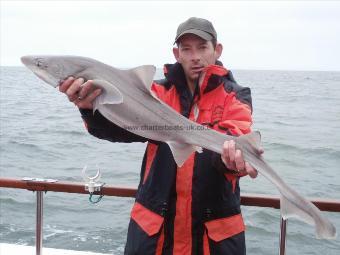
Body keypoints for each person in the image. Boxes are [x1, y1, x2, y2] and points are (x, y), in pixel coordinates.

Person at [59, 17, 261, 255]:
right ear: (177, 54)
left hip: (212, 240)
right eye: (187, 49)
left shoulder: (234, 96)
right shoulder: (156, 94)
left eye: (202, 47)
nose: (195, 56)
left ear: (217, 50)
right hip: (154, 236)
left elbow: (235, 135)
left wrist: (230, 161)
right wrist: (89, 109)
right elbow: (120, 130)